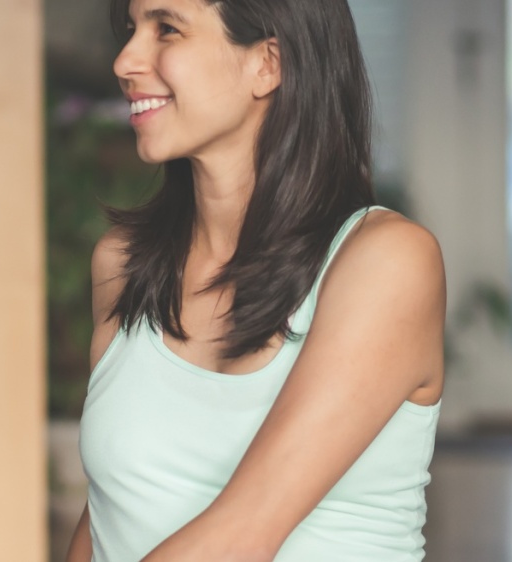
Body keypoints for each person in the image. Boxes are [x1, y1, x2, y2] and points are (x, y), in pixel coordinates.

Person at [67, 0, 445, 560]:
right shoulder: (123, 266)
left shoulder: (385, 263)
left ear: (268, 63)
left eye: (166, 29)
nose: (126, 60)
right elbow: (107, 518)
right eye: (132, 30)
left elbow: (239, 539)